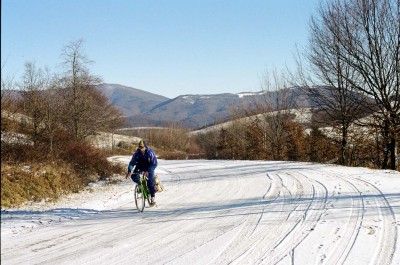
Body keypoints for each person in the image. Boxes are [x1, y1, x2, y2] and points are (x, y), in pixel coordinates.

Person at [125, 140, 158, 206]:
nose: (141, 149)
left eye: (142, 147)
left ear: (145, 147)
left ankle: (152, 197)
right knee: (133, 176)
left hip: (149, 168)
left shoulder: (150, 152)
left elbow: (154, 163)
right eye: (140, 147)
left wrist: (148, 171)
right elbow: (132, 162)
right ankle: (140, 185)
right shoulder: (137, 153)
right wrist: (129, 170)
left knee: (150, 182)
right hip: (139, 167)